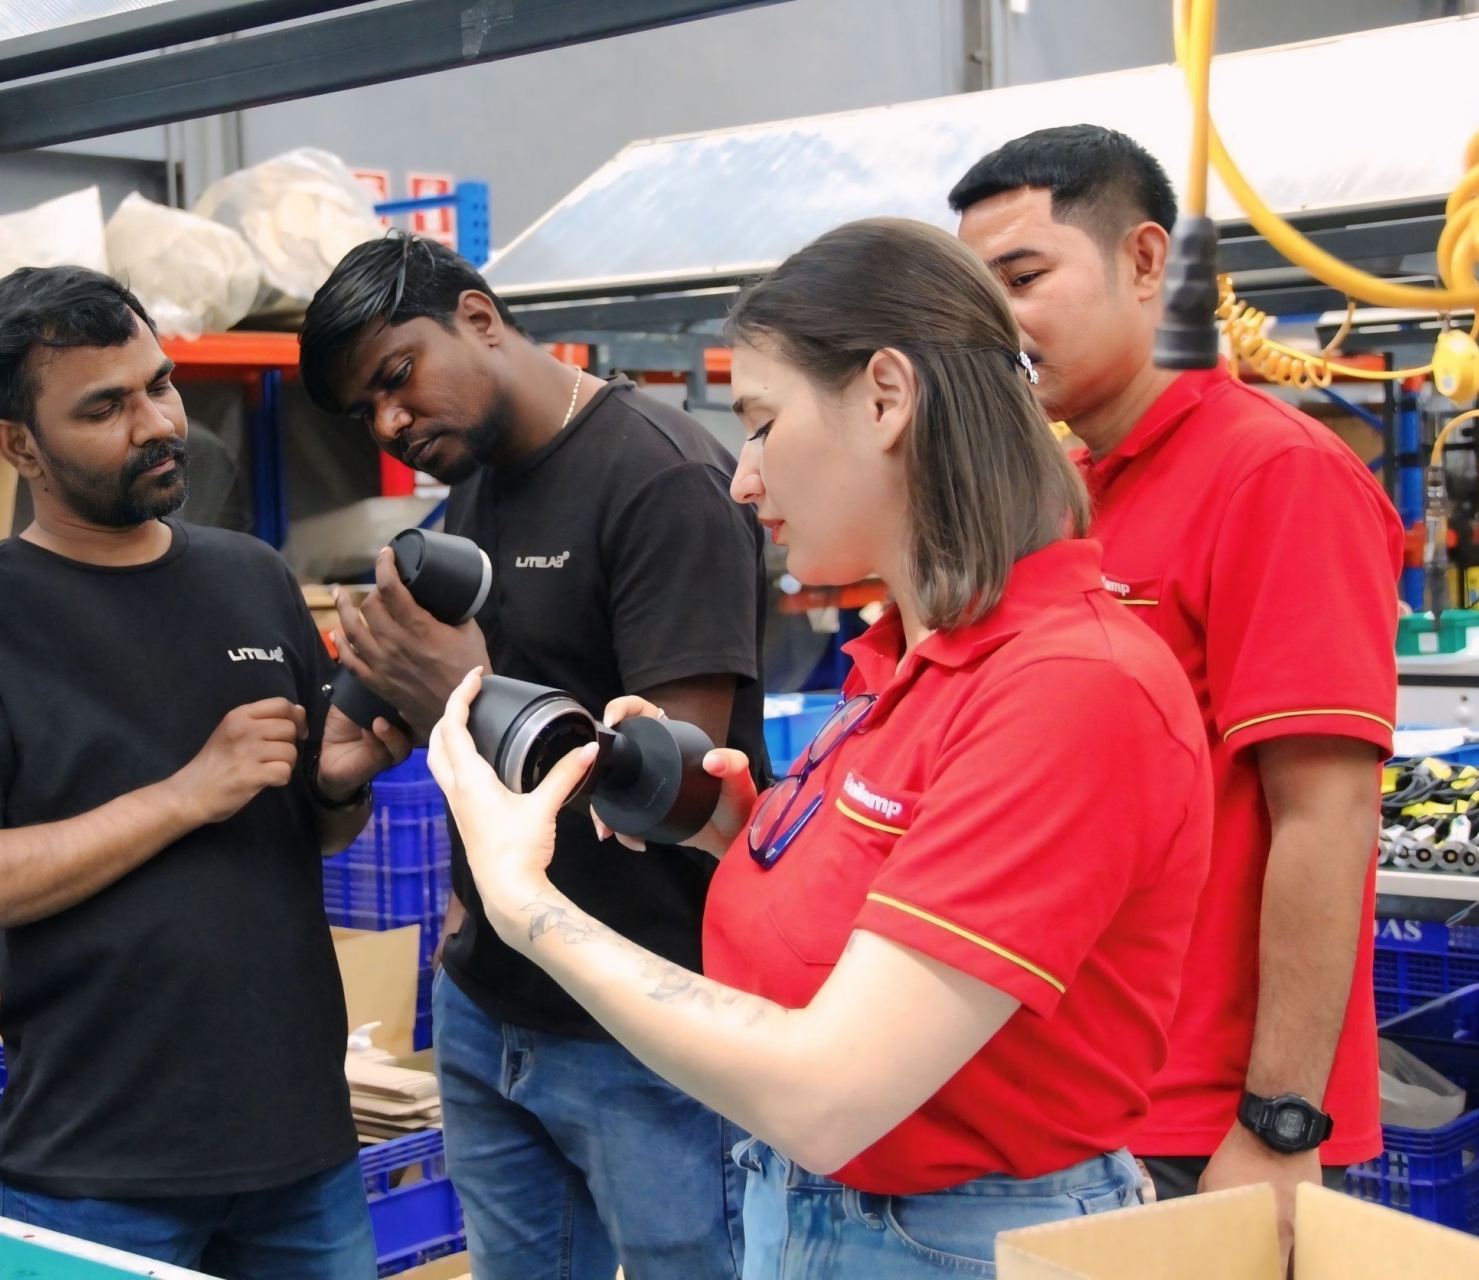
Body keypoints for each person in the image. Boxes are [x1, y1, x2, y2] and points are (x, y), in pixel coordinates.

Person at [422, 218, 1214, 1279]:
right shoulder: (905, 668)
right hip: (820, 1221)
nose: (743, 480)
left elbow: (828, 1091)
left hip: (951, 1240)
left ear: (886, 395)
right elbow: (877, 917)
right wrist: (727, 826)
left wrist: (530, 907)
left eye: (760, 421)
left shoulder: (1071, 688)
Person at [0, 266, 406, 1278]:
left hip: (302, 1147)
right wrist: (181, 794)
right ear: (18, 444)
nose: (158, 422)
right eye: (105, 407)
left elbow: (310, 829)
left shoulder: (250, 575)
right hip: (98, 1169)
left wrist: (337, 784)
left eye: (158, 384)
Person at [952, 126, 1399, 1245]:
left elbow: (1327, 811)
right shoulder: (1069, 496)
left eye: (1024, 277)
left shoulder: (1276, 474)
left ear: (1148, 262)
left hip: (1205, 1118)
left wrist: (1281, 1119)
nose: (996, 325)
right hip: (1080, 1099)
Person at [299, 232, 764, 1280]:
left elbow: (682, 792)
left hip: (648, 1020)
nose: (389, 421)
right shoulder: (477, 487)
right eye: (366, 409)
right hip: (492, 1004)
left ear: (477, 316)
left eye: (395, 377)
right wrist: (365, 734)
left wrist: (464, 691)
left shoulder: (662, 479)